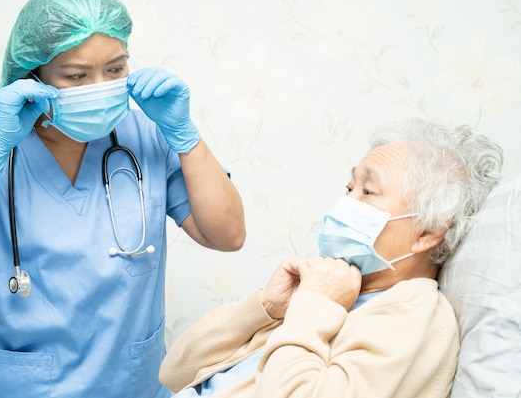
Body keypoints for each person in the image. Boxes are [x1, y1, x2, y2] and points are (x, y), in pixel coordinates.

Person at [0, 0, 245, 398]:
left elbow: (229, 236)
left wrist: (184, 135)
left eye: (115, 70)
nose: (99, 86)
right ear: (33, 74)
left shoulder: (149, 137)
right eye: (77, 76)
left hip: (130, 387)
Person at [159, 118, 504, 398]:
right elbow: (174, 371)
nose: (346, 203)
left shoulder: (414, 318)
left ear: (427, 233)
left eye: (368, 192)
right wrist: (265, 308)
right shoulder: (335, 290)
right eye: (349, 187)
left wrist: (312, 308)